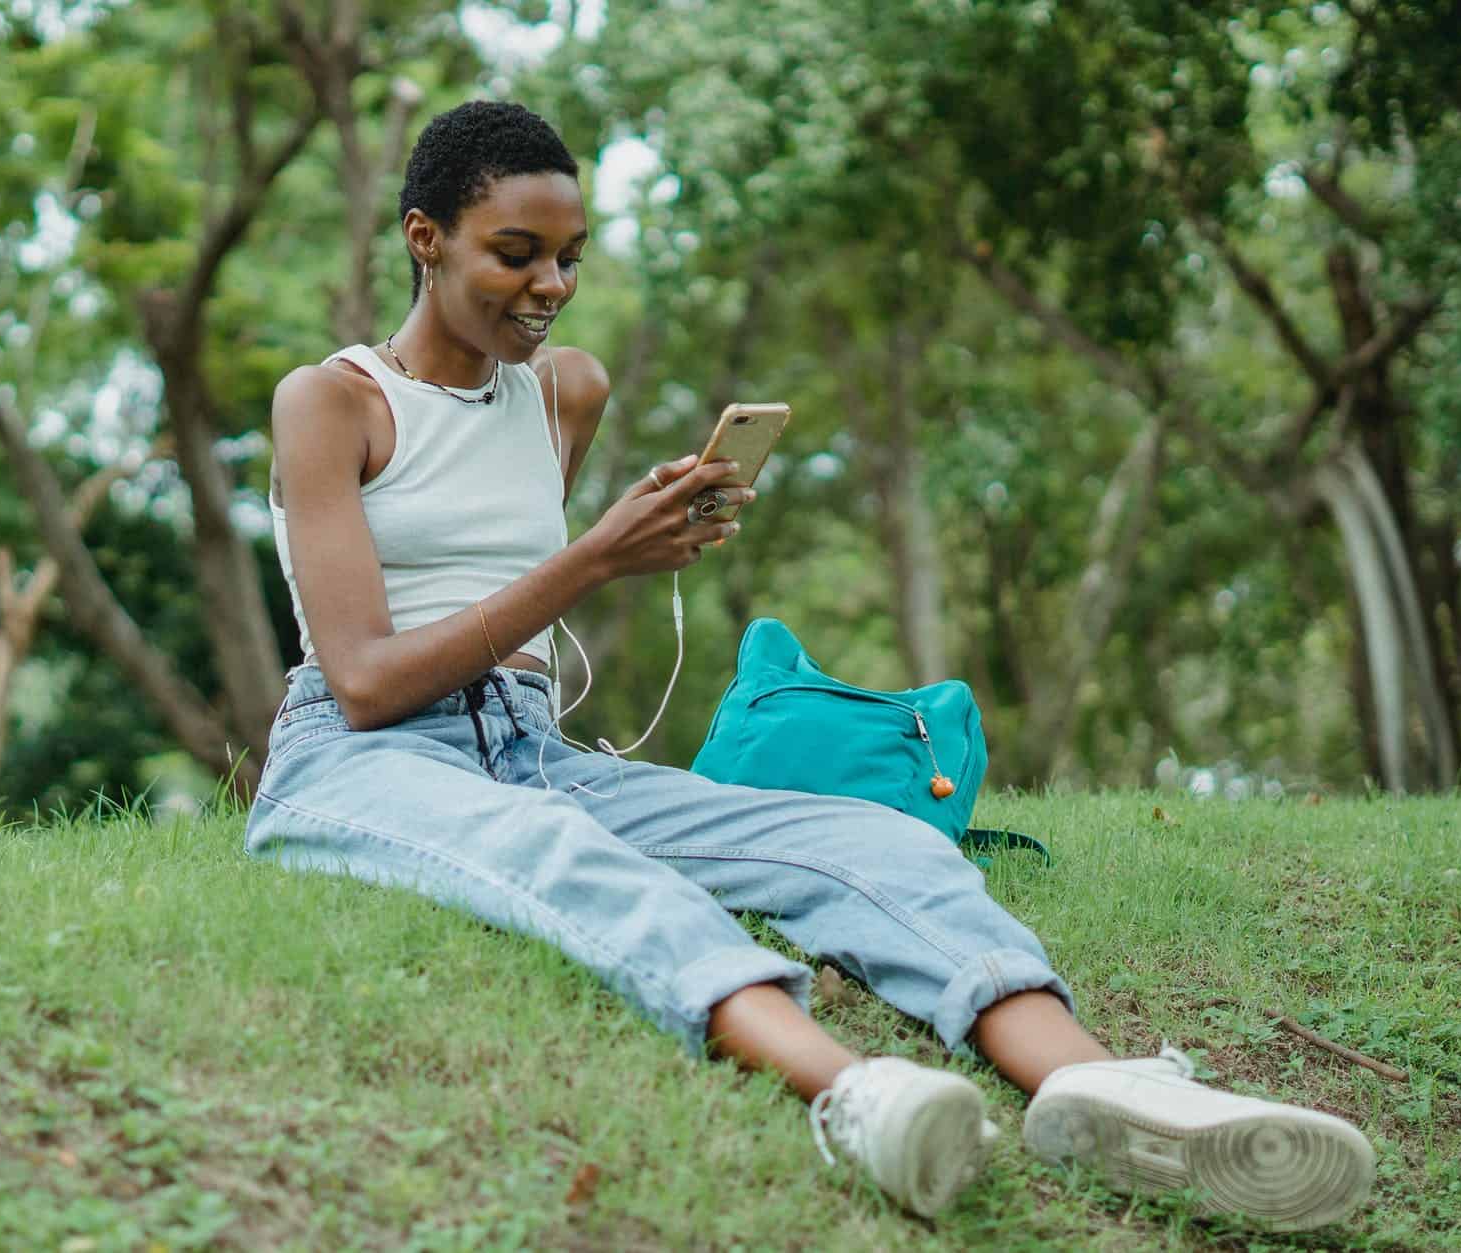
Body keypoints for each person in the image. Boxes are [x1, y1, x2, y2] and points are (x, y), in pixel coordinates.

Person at [247, 99, 1374, 1230]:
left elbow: (518, 582)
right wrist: (593, 560)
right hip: (363, 759)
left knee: (863, 834)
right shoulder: (330, 401)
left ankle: (1093, 1081)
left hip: (534, 749)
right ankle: (851, 1091)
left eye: (569, 258)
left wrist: (632, 540)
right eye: (516, 253)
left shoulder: (563, 390)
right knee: (560, 852)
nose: (550, 284)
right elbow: (366, 681)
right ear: (422, 236)